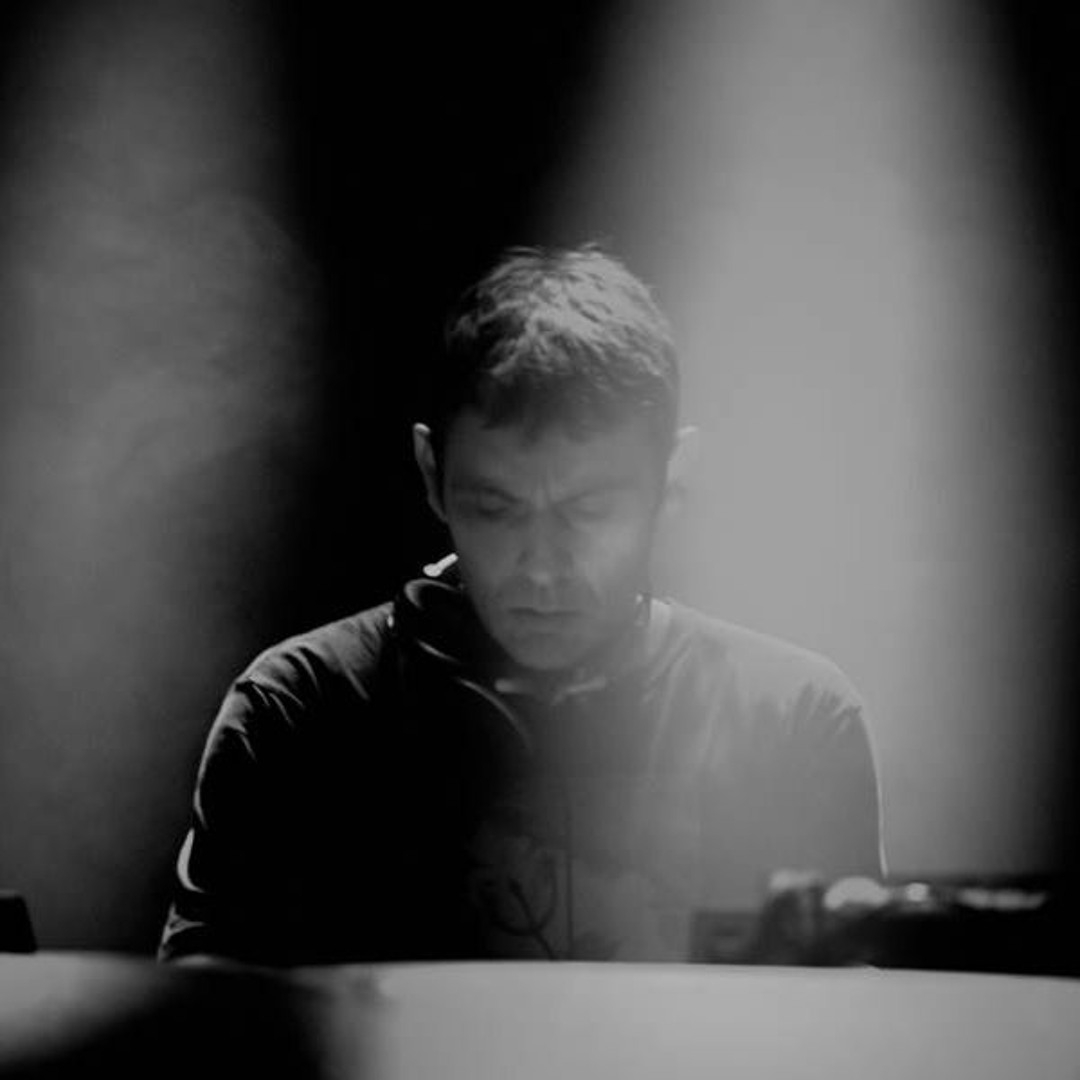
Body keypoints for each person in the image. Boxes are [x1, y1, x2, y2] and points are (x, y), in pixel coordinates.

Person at [158, 245, 884, 966]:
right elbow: (204, 1023)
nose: (541, 569)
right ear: (431, 475)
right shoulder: (296, 712)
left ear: (674, 481)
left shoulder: (796, 722)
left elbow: (858, 1025)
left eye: (589, 510)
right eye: (496, 508)